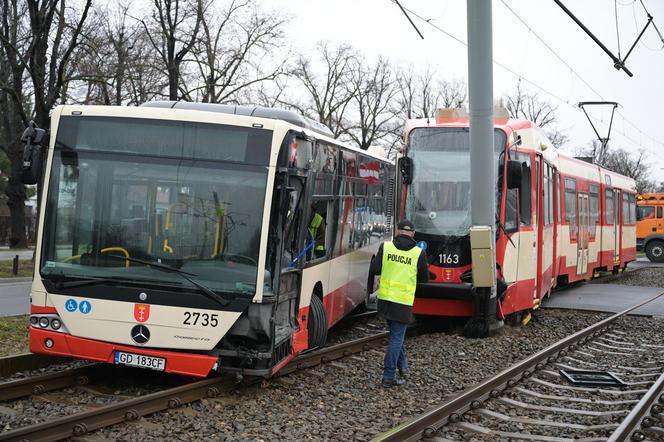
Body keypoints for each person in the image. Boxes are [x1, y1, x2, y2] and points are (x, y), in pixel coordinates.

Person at [368, 220, 428, 387]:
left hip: (385, 301)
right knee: (396, 338)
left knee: (396, 335)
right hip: (403, 302)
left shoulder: (386, 247)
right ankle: (388, 376)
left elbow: (375, 270)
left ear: (397, 230)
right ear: (413, 234)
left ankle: (403, 367)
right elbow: (424, 279)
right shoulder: (419, 253)